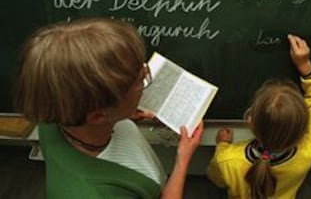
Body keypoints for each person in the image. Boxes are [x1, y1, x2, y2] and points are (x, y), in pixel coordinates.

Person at [14, 17, 203, 199]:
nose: (147, 72)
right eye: (140, 81)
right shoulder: (95, 193)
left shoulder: (56, 109)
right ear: (98, 116)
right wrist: (183, 160)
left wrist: (124, 114)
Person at [206, 34, 311, 199]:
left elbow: (216, 178)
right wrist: (305, 65)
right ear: (304, 125)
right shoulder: (310, 148)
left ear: (250, 121)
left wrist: (222, 145)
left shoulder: (228, 160)